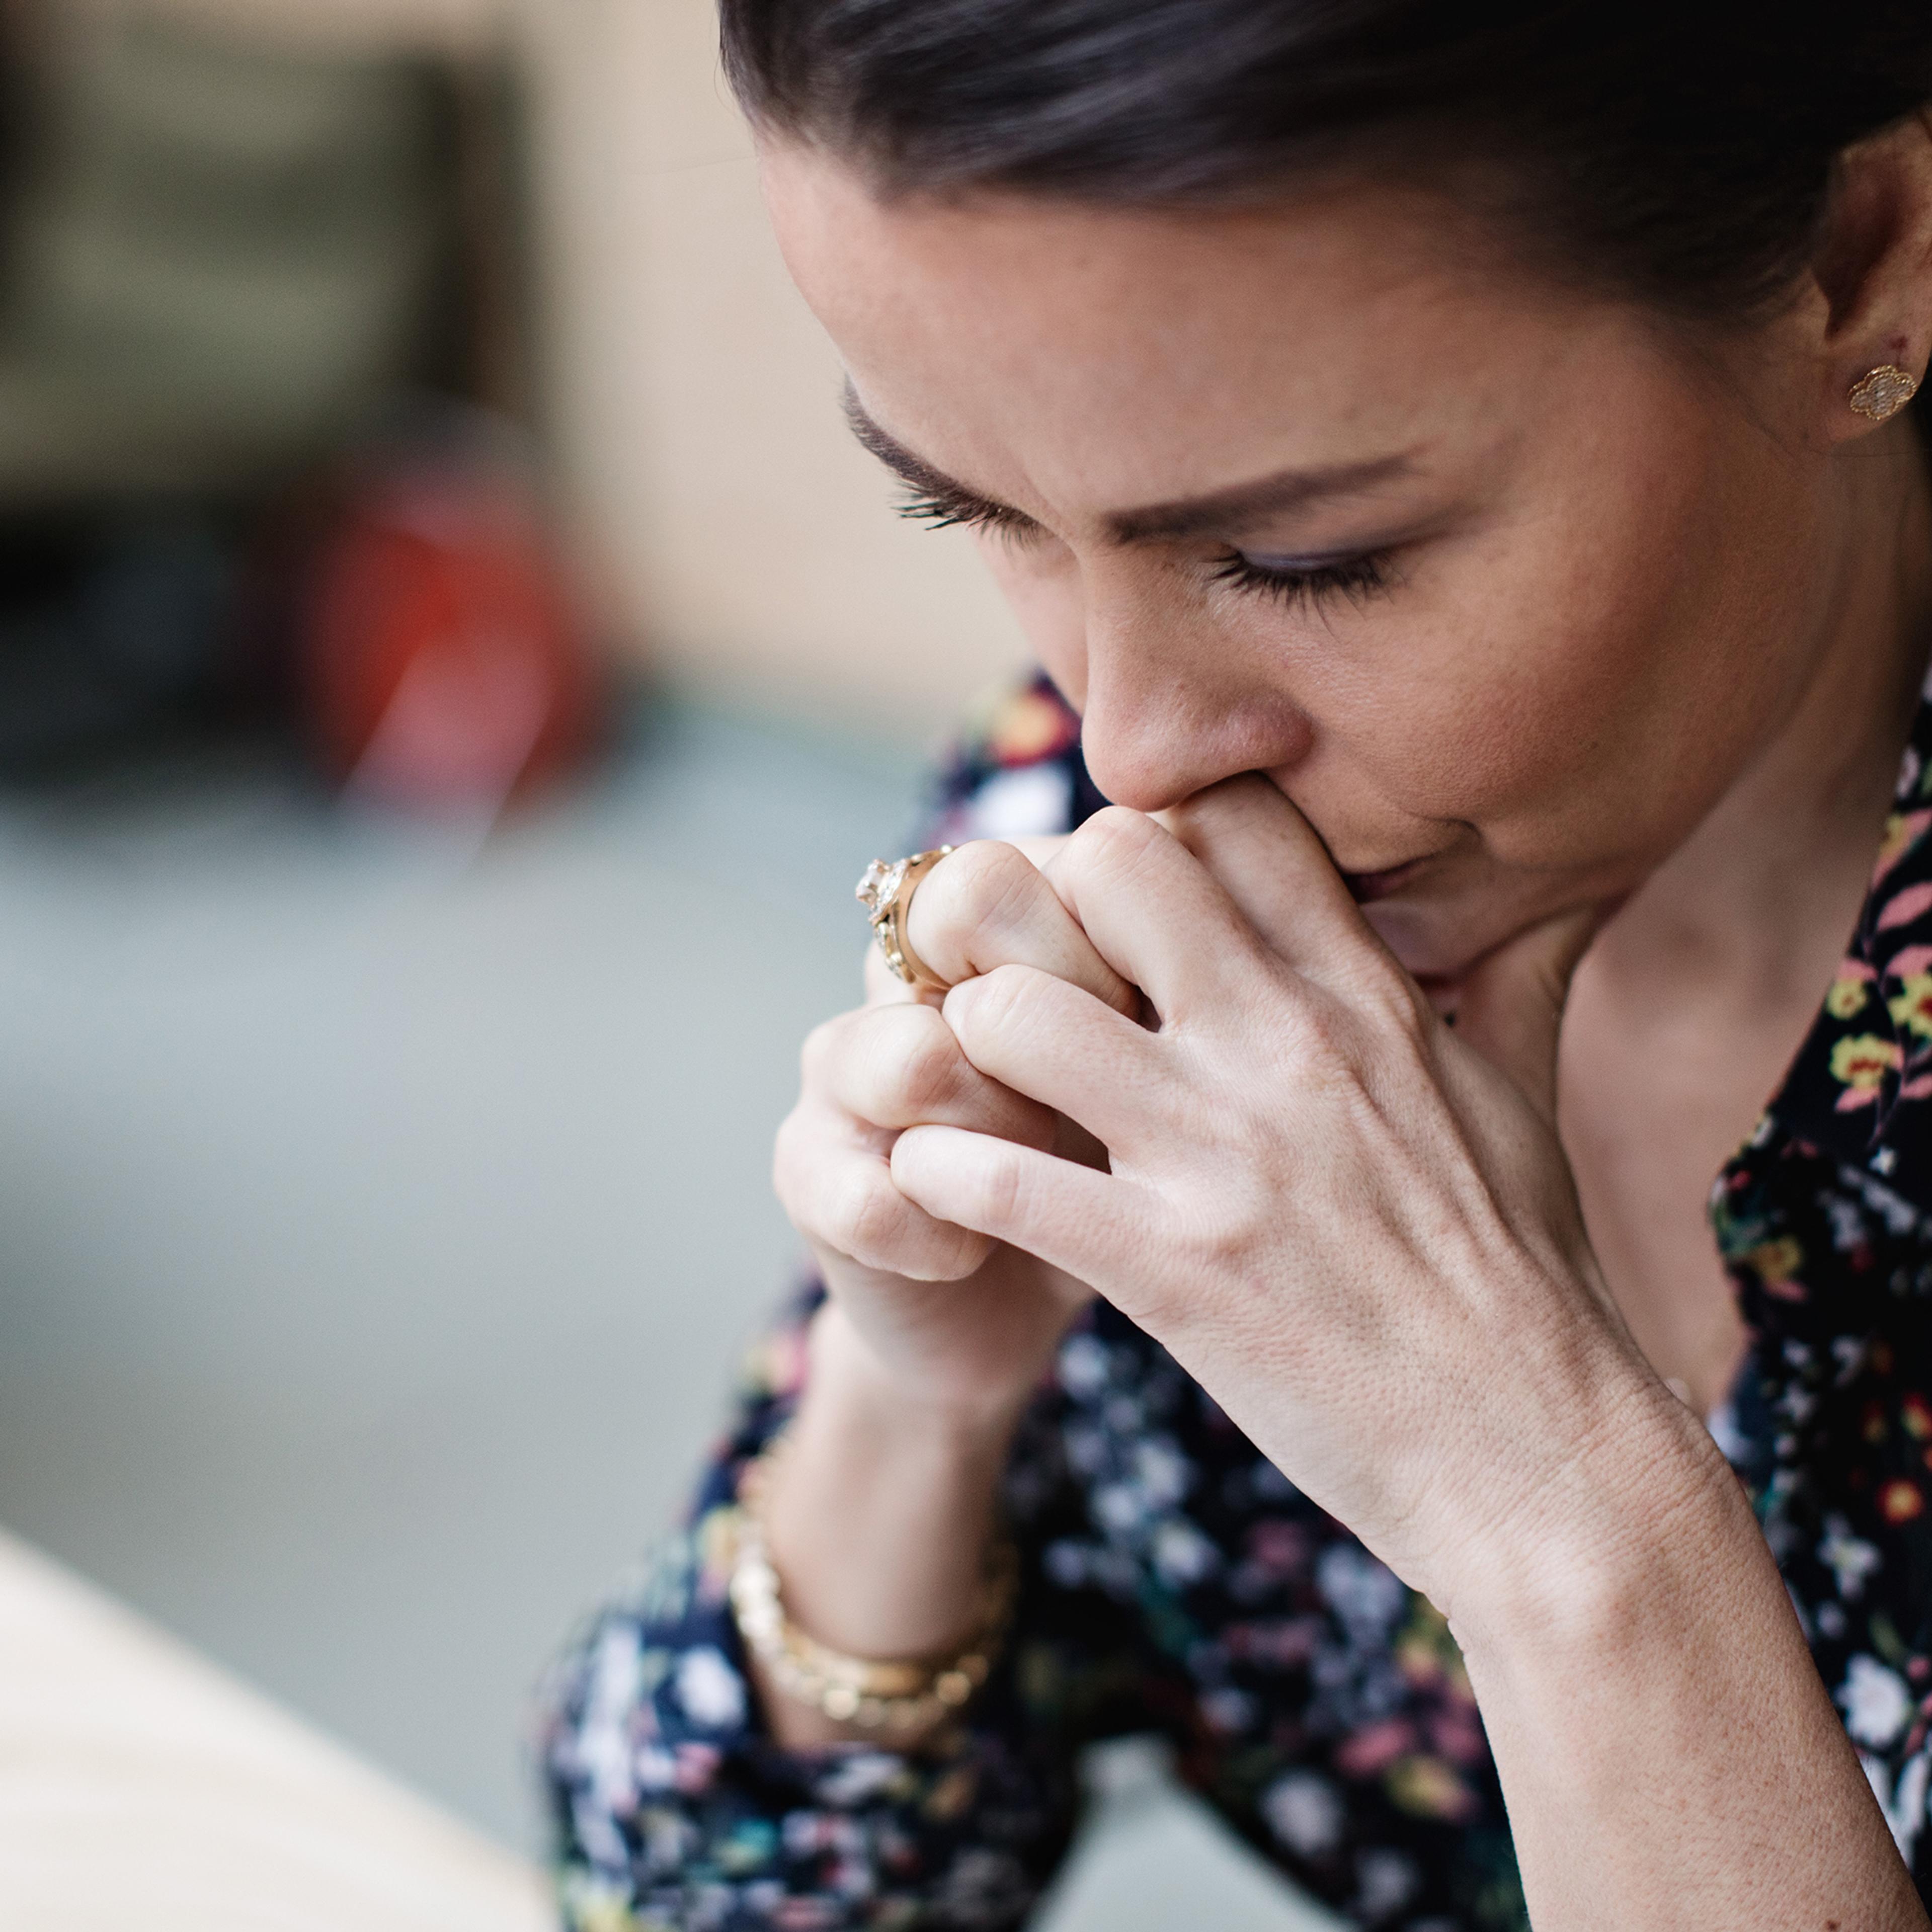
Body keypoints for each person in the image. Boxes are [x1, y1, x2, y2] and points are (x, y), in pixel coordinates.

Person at [539, 7, 1932, 1927]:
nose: (1131, 747)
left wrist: (1553, 1511)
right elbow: (691, 1893)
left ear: (1858, 264)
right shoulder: (1087, 827)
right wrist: (913, 1404)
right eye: (976, 509)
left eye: (1308, 559)